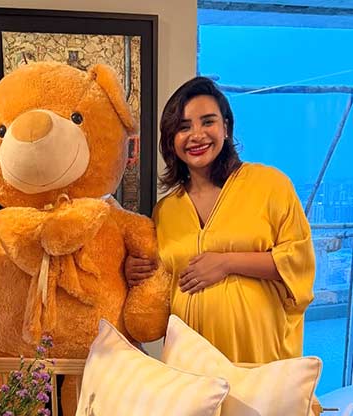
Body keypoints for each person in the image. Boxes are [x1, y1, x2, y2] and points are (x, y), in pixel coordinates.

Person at [125, 76, 315, 364]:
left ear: (225, 127)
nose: (197, 135)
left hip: (257, 355)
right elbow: (162, 280)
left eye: (208, 122)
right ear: (171, 140)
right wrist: (134, 271)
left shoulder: (270, 185)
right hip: (187, 361)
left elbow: (299, 261)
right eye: (183, 127)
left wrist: (227, 263)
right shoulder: (166, 210)